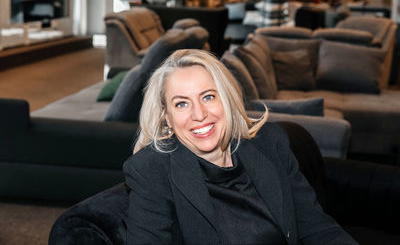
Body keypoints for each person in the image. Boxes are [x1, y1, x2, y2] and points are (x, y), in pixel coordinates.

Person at [123, 49, 358, 245]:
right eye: (182, 103)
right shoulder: (151, 170)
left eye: (208, 97)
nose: (199, 114)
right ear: (167, 116)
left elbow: (317, 229)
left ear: (227, 99)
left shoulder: (270, 143)